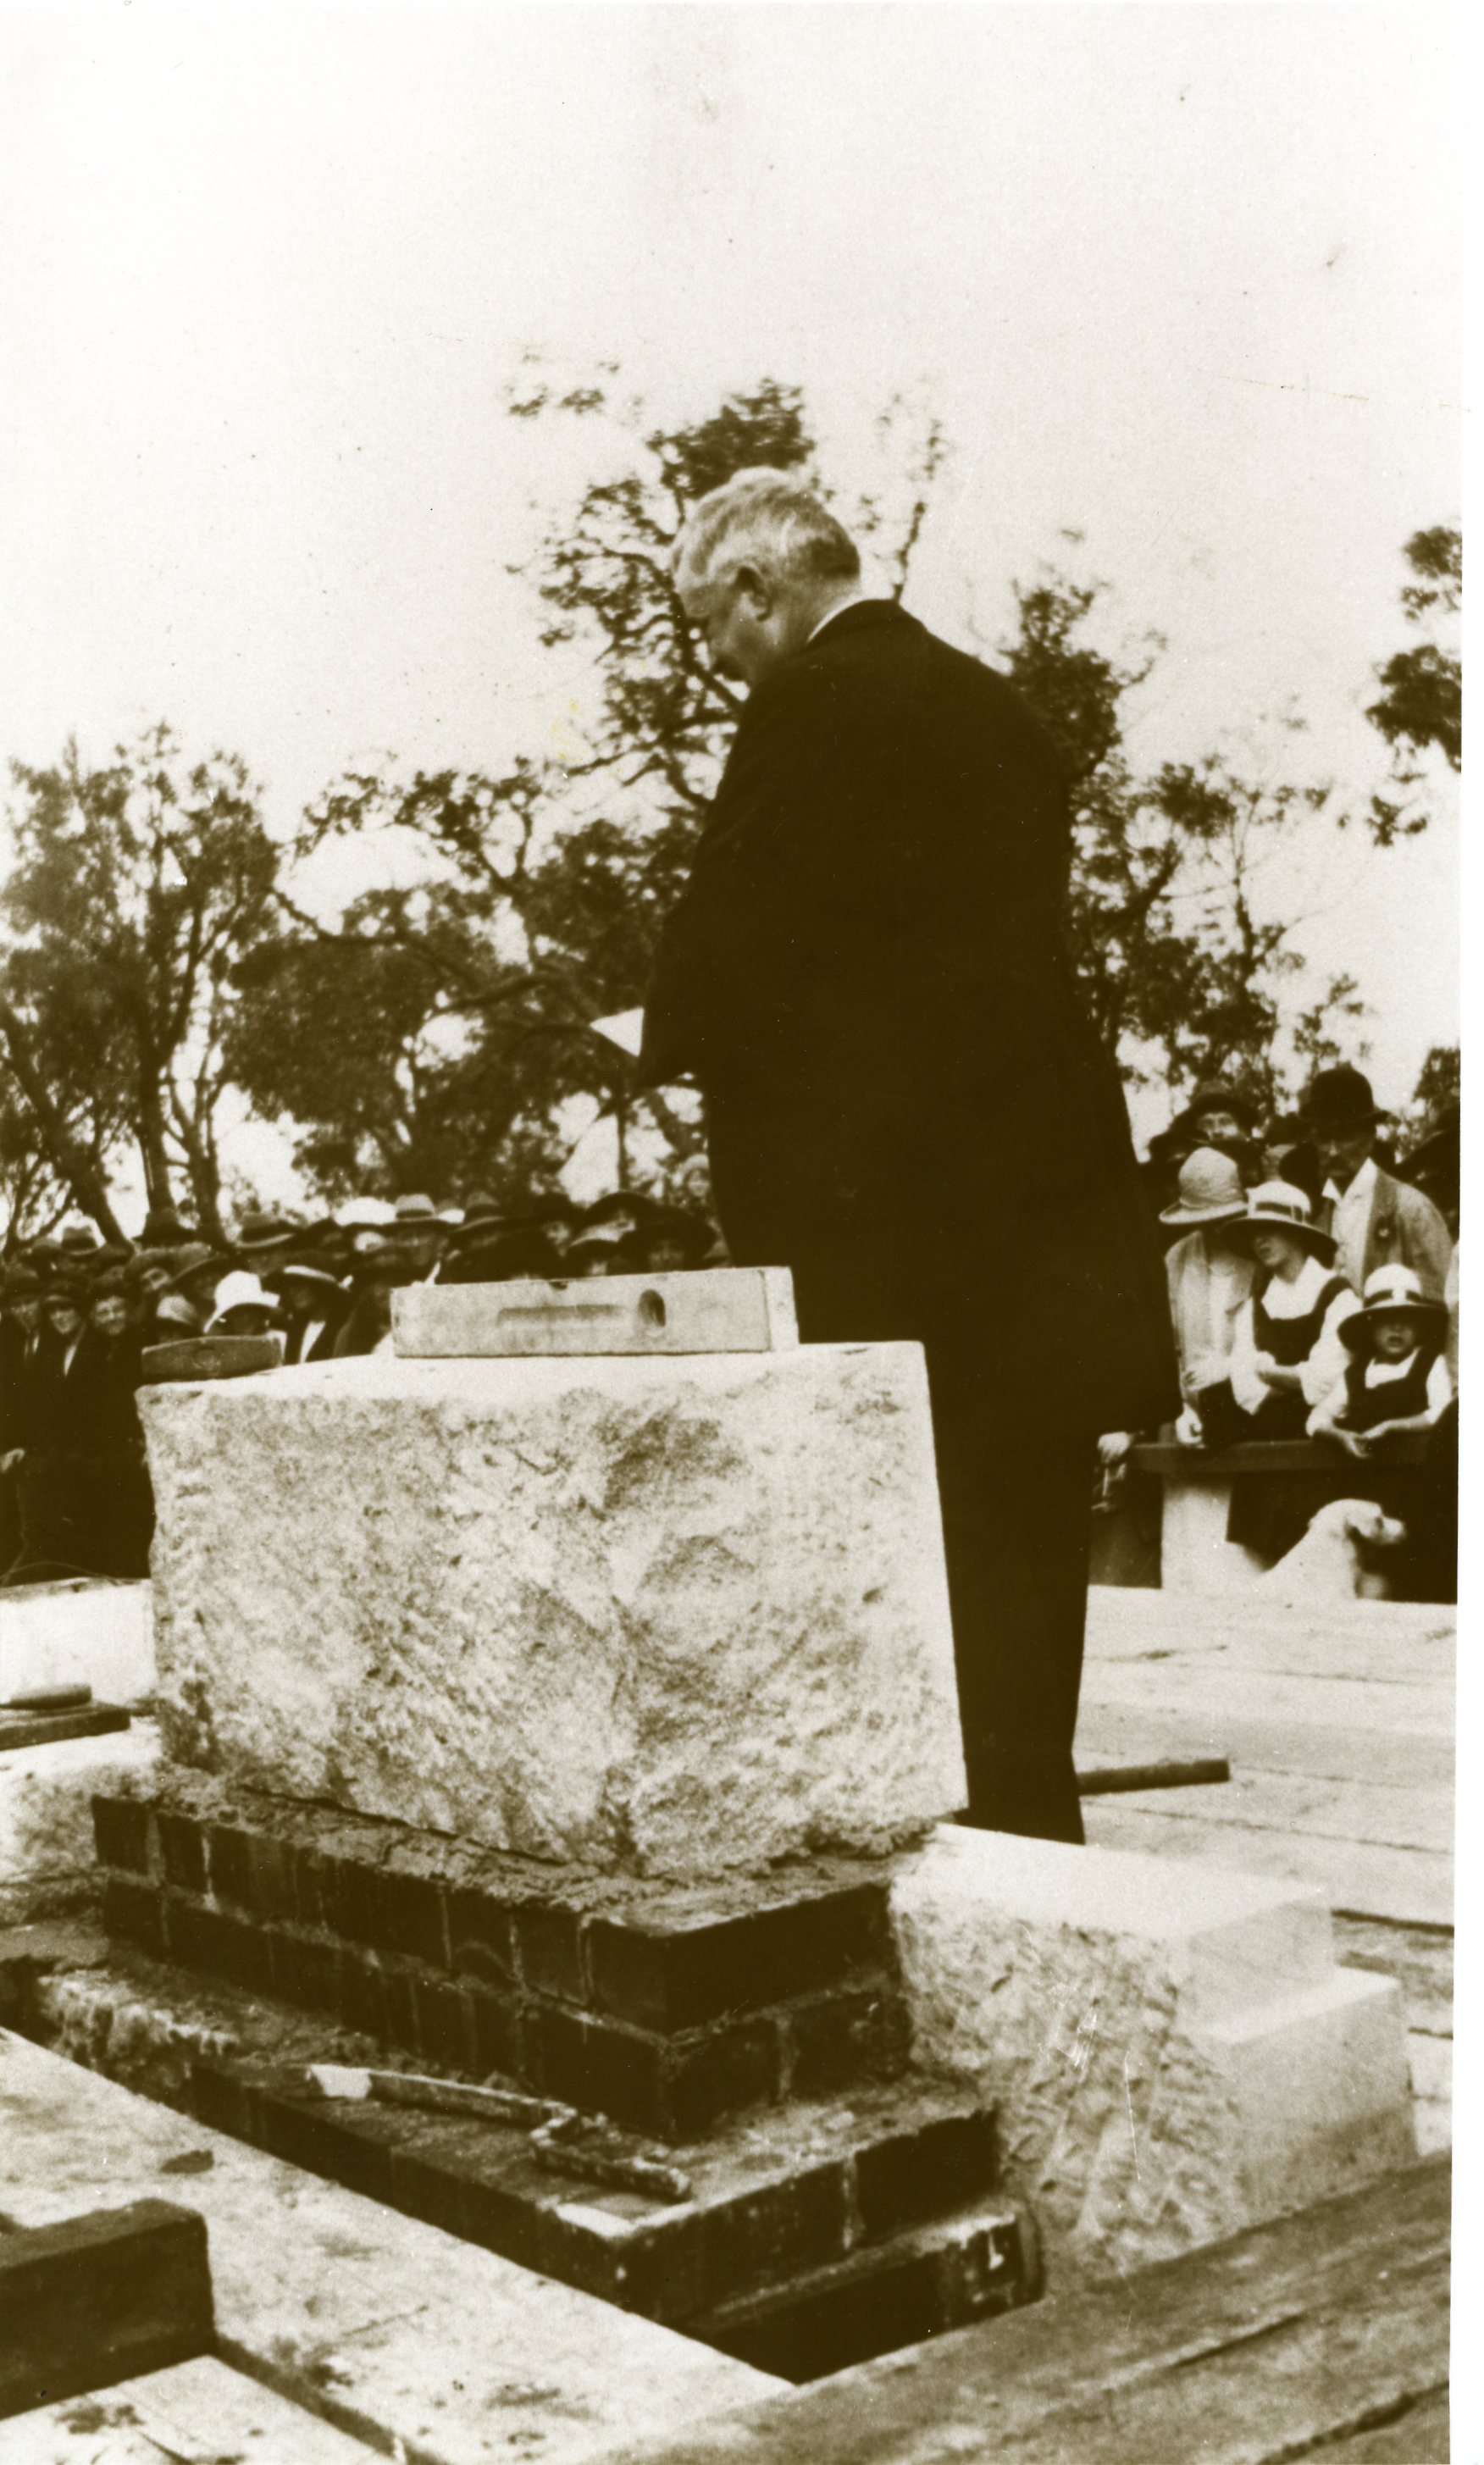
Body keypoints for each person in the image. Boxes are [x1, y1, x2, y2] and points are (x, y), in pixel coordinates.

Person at [640, 466, 1177, 1843]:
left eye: (710, 628)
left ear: (757, 589)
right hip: (1042, 1225)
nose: (717, 659)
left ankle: (959, 1865)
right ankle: (1036, 1836)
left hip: (897, 1236)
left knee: (916, 1570)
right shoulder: (999, 709)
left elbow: (723, 955)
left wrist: (664, 1040)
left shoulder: (810, 702)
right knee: (1026, 1566)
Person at [1299, 1066, 1453, 1299]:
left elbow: (1445, 1297)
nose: (1332, 1150)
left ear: (1370, 1138)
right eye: (1323, 1138)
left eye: (1345, 1137)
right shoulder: (1318, 1216)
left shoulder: (1411, 1209)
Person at [1159, 1149, 1254, 1449]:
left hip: (1253, 1414)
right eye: (1205, 1221)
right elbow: (1166, 1347)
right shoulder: (1178, 1257)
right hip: (1192, 1417)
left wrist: (1230, 1366)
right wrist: (1179, 1409)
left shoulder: (1262, 1256)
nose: (1216, 1228)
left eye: (1224, 1218)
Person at [1308, 1265, 1453, 1456]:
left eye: (1406, 1318)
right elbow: (1316, 1419)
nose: (1396, 1327)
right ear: (1371, 1326)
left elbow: (1442, 1412)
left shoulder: (1431, 1363)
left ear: (1419, 1325)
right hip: (1366, 1467)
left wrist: (1391, 1426)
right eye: (1386, 1319)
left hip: (1417, 1464)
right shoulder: (1356, 1374)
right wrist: (1341, 1435)